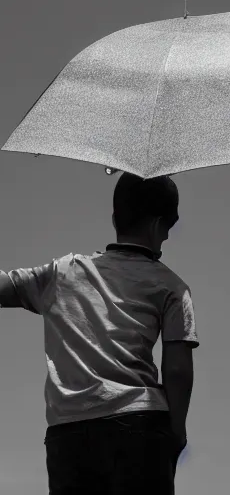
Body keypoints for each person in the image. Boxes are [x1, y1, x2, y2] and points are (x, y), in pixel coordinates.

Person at [0, 172, 199, 494]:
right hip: (139, 428)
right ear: (158, 225)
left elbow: (2, 287)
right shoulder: (172, 286)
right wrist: (177, 432)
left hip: (69, 434)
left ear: (114, 217)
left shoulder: (63, 273)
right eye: (167, 231)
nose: (165, 240)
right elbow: (177, 369)